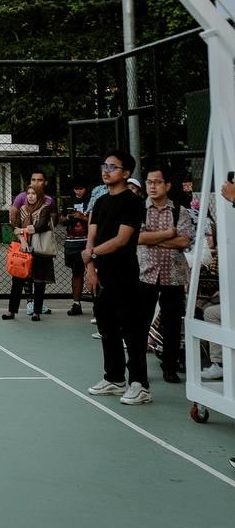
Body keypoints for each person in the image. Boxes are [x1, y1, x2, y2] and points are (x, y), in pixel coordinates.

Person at [85, 150, 149, 405]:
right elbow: (92, 233)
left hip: (126, 273)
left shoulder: (132, 202)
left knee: (131, 329)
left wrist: (92, 253)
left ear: (126, 173)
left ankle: (139, 384)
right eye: (104, 164)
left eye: (112, 166)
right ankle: (114, 378)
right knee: (106, 325)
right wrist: (91, 267)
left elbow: (122, 240)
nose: (106, 169)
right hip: (104, 275)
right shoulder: (100, 202)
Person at [136, 165, 193, 384]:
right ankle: (139, 366)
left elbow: (184, 240)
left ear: (167, 185)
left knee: (171, 322)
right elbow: (138, 238)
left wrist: (154, 237)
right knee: (141, 321)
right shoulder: (140, 209)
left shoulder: (180, 210)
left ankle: (170, 365)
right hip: (146, 274)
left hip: (174, 274)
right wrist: (169, 234)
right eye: (149, 182)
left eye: (157, 182)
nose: (152, 186)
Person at [4, 186, 55, 321]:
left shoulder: (44, 208)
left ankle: (36, 312)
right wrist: (22, 239)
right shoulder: (22, 209)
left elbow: (42, 226)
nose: (31, 196)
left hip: (39, 249)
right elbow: (15, 227)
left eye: (34, 194)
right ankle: (11, 311)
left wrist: (23, 230)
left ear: (39, 195)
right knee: (17, 280)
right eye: (28, 194)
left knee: (38, 281)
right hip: (24, 249)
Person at [62, 181, 92, 316]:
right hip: (72, 242)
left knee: (94, 272)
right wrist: (68, 217)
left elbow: (97, 220)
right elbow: (61, 219)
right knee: (76, 272)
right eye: (76, 188)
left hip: (88, 241)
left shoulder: (93, 200)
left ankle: (98, 305)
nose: (78, 191)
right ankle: (76, 303)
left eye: (81, 188)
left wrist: (83, 217)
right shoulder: (69, 201)